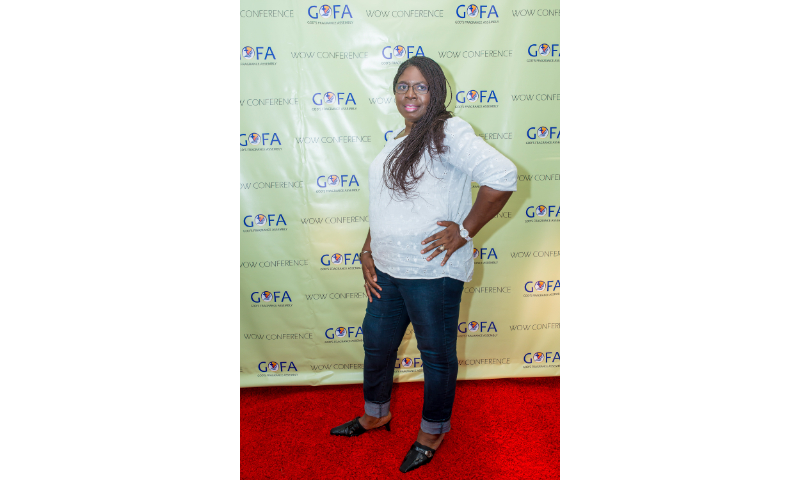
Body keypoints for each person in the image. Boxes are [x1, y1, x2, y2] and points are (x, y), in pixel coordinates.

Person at [330, 56, 517, 473]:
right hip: (388, 269)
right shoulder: (400, 138)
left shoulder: (447, 131)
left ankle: (432, 433)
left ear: (437, 91)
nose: (410, 94)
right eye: (403, 86)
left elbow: (502, 176)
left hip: (432, 272)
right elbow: (386, 204)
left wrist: (465, 230)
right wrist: (367, 250)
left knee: (435, 356)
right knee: (377, 346)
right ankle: (376, 414)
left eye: (421, 86)